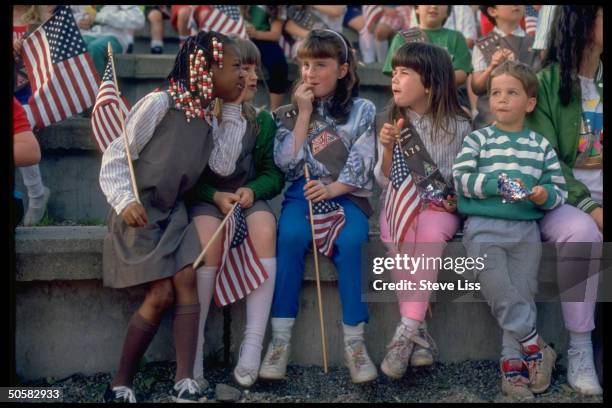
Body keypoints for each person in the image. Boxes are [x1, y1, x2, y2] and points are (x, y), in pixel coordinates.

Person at [99, 31, 245, 403]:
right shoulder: (160, 104)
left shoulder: (209, 119)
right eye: (233, 68)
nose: (241, 75)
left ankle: (185, 381)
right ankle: (120, 383)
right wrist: (122, 198)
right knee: (161, 292)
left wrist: (231, 110)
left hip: (173, 212)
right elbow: (118, 153)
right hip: (141, 212)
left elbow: (223, 165)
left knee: (186, 277)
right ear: (205, 69)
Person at [259, 29, 378, 384]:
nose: (310, 72)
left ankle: (355, 343)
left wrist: (333, 189)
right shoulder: (286, 114)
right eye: (305, 64)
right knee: (291, 236)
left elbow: (362, 161)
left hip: (346, 194)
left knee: (353, 241)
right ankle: (280, 341)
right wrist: (304, 114)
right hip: (302, 194)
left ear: (342, 69)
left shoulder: (363, 110)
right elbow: (285, 162)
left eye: (320, 65)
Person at [453, 60, 566, 400]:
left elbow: (557, 189)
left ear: (529, 103)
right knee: (500, 288)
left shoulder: (540, 146)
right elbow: (460, 178)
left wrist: (545, 195)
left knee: (521, 292)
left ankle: (513, 366)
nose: (501, 99)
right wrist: (498, 184)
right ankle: (535, 345)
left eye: (512, 93)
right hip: (484, 228)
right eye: (496, 92)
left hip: (525, 231)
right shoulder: (479, 139)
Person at [188, 35, 285, 389]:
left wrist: (252, 191)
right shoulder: (200, 119)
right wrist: (213, 195)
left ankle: (253, 342)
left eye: (255, 68)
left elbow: (273, 175)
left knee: (264, 228)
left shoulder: (261, 122)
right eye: (242, 68)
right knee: (206, 241)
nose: (253, 75)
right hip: (206, 198)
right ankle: (193, 347)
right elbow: (187, 176)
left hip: (245, 196)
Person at [374, 42, 472, 379]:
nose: (394, 79)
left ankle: (405, 332)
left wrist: (453, 198)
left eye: (404, 73)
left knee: (428, 233)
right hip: (403, 202)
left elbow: (462, 177)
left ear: (429, 82)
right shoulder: (390, 120)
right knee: (395, 231)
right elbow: (384, 178)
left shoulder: (460, 124)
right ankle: (419, 335)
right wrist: (387, 148)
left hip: (440, 206)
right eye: (394, 73)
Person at [525, 6, 603, 396]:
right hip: (562, 199)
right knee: (582, 231)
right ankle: (580, 349)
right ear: (583, 24)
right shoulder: (547, 83)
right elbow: (547, 160)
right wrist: (591, 206)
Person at [470, 5, 541, 130]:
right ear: (492, 11)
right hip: (490, 119)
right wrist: (492, 67)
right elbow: (477, 87)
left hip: (527, 118)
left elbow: (537, 83)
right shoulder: (483, 44)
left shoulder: (535, 43)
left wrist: (516, 66)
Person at [12, 5, 51, 226]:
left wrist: (28, 49)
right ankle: (37, 193)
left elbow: (51, 60)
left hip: (34, 94)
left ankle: (36, 194)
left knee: (22, 118)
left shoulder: (42, 19)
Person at [382, 5, 472, 88]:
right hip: (412, 99)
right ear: (416, 8)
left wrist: (433, 81)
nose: (434, 6)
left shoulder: (456, 37)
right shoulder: (402, 38)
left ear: (447, 12)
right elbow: (395, 73)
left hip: (446, 100)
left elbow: (462, 73)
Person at [71, 5, 145, 76]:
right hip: (87, 34)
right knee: (75, 45)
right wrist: (78, 20)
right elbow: (66, 14)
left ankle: (94, 87)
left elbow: (138, 19)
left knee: (95, 47)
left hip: (114, 36)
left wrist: (100, 17)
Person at [242, 6, 289, 110]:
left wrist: (255, 34)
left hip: (261, 38)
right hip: (238, 35)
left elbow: (275, 34)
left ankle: (274, 112)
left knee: (278, 64)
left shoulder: (278, 7)